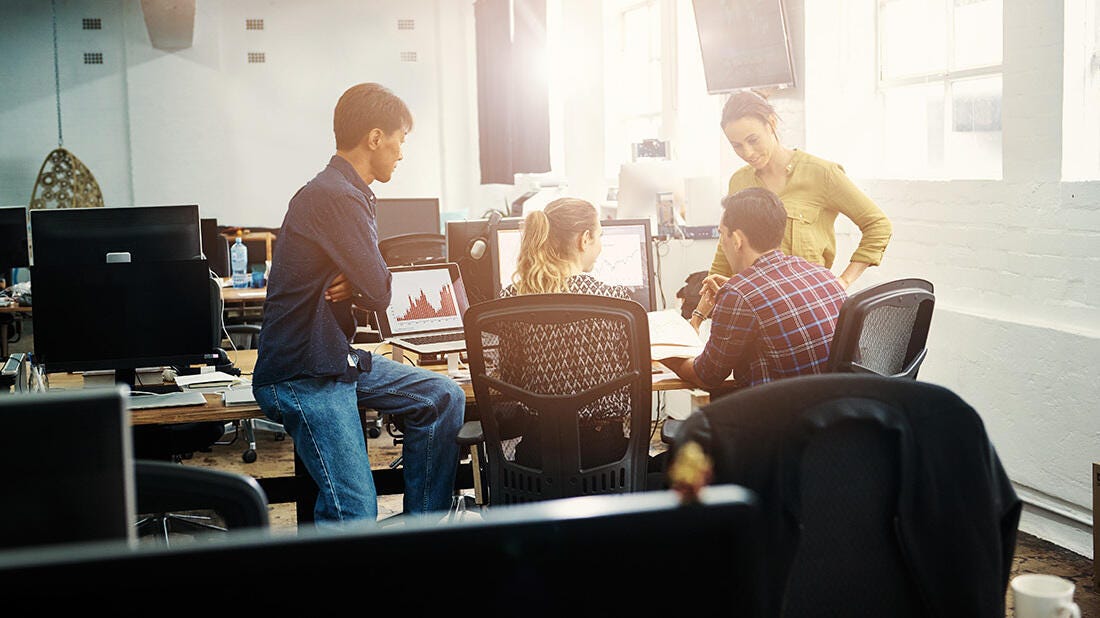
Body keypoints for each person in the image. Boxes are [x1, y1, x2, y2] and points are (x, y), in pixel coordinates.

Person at [252, 83, 464, 525]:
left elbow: (370, 285)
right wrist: (365, 280)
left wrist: (362, 280)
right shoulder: (336, 195)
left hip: (335, 359)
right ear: (374, 138)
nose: (402, 153)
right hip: (303, 372)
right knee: (355, 509)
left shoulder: (344, 191)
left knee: (442, 397)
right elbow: (380, 291)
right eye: (400, 139)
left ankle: (425, 533)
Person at [701, 89, 892, 305]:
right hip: (754, 309)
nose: (747, 152)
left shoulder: (822, 174)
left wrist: (843, 282)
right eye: (736, 145)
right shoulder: (739, 181)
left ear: (771, 123)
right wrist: (698, 316)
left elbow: (878, 225)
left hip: (809, 307)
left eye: (753, 140)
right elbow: (725, 248)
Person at [664, 187, 847, 391]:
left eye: (722, 234)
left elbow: (706, 376)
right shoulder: (820, 274)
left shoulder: (739, 294)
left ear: (737, 240)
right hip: (833, 409)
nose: (721, 242)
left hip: (778, 416)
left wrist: (662, 353)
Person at [498, 198, 632, 468]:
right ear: (585, 239)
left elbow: (511, 382)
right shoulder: (616, 301)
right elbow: (631, 377)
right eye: (599, 237)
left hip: (540, 455)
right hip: (607, 457)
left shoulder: (512, 300)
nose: (600, 246)